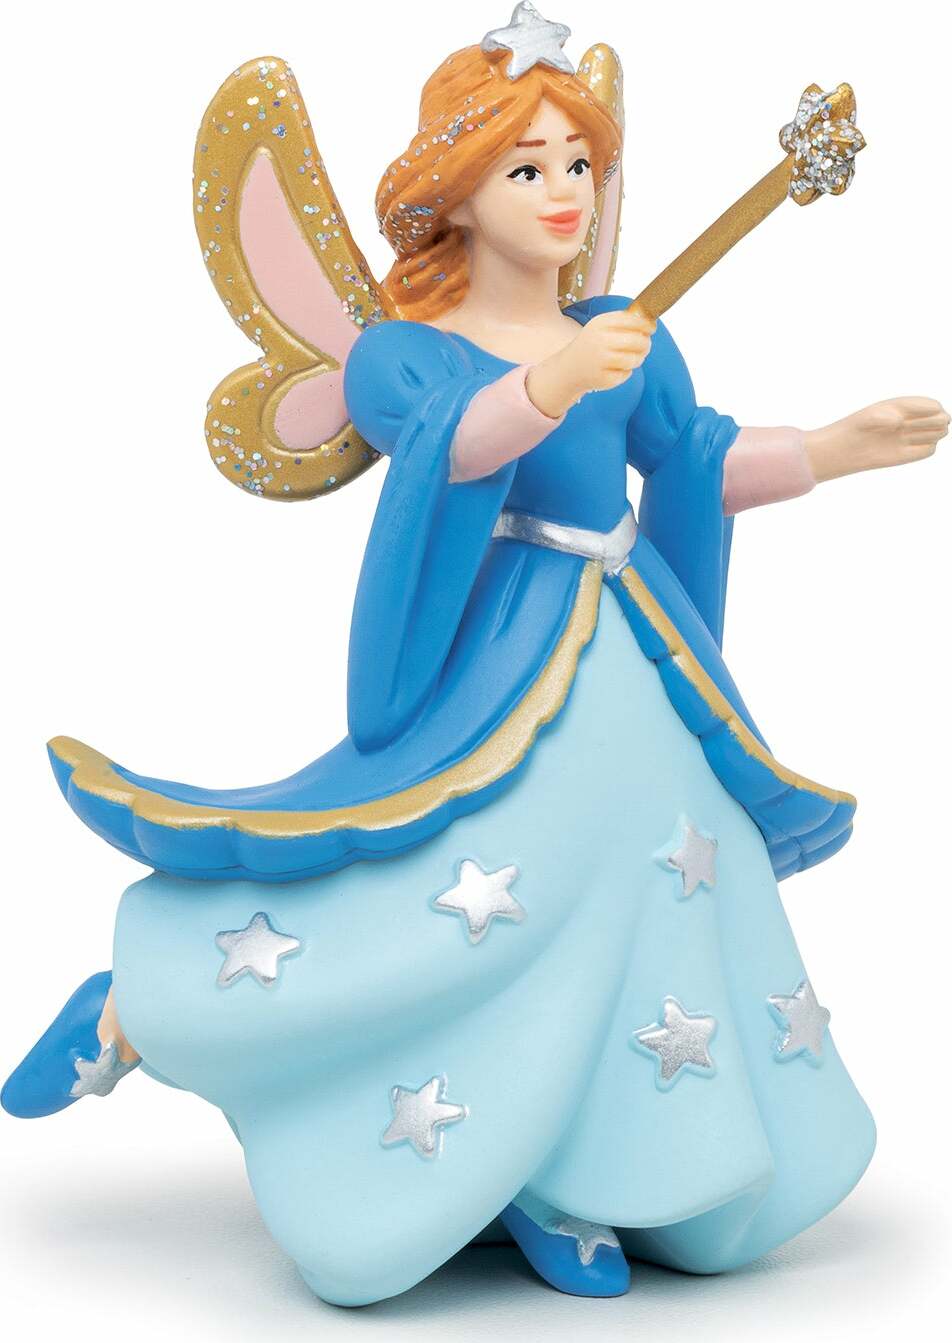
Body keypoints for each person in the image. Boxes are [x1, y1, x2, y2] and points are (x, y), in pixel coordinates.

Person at [3, 5, 948, 1308]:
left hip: (637, 656)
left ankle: (576, 1172)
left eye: (581, 163)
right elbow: (447, 446)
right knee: (461, 916)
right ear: (456, 193)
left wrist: (834, 447)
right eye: (527, 166)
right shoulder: (410, 355)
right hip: (505, 665)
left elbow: (692, 458)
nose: (565, 192)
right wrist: (553, 384)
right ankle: (145, 1008)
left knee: (641, 905)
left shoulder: (623, 331)